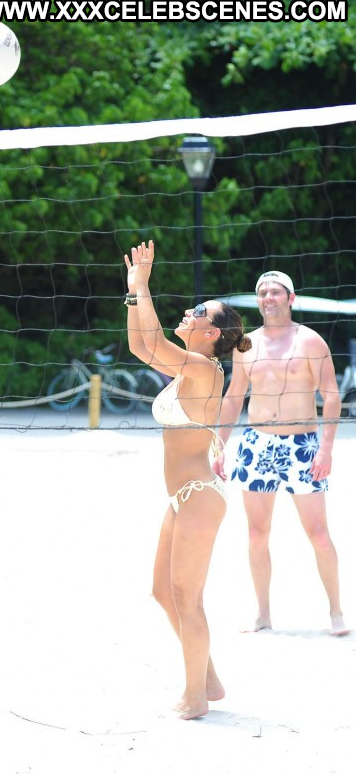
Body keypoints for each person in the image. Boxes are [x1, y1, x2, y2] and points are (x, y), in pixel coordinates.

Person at [124, 240, 251, 720]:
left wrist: (143, 285)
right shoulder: (187, 370)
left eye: (198, 311)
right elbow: (140, 346)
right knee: (163, 591)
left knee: (187, 598)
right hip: (182, 497)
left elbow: (156, 343)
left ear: (212, 332)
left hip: (199, 496)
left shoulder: (204, 369)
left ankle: (195, 697)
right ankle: (209, 680)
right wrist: (133, 292)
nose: (189, 311)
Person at [212, 270, 349, 636]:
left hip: (302, 446)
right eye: (263, 292)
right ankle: (262, 614)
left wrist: (326, 449)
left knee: (319, 534)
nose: (268, 298)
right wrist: (219, 445)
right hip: (257, 445)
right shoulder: (246, 345)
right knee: (257, 533)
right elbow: (233, 397)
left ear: (290, 298)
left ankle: (336, 612)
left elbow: (331, 397)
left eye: (275, 292)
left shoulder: (311, 341)